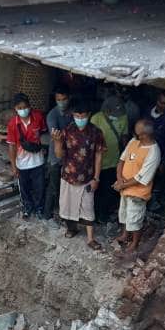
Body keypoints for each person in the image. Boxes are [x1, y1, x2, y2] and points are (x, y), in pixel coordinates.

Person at [52, 97, 106, 250]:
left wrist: (96, 177)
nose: (80, 119)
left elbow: (99, 155)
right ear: (72, 115)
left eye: (83, 117)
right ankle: (72, 228)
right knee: (67, 205)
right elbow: (59, 155)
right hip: (69, 176)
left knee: (88, 207)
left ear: (89, 115)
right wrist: (57, 142)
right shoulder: (67, 131)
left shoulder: (96, 132)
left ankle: (90, 238)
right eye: (77, 116)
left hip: (87, 177)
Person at [113, 119, 161, 252]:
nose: (134, 133)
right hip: (124, 187)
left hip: (138, 192)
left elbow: (142, 178)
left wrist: (122, 185)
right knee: (124, 213)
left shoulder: (154, 152)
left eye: (137, 131)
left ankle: (134, 243)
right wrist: (120, 179)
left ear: (144, 135)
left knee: (135, 218)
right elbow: (122, 160)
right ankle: (124, 235)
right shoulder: (133, 141)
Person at [6, 93, 46, 219]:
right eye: (20, 108)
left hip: (38, 161)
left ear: (29, 106)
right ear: (15, 109)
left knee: (39, 187)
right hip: (22, 163)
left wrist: (43, 147)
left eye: (25, 107)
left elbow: (45, 134)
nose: (23, 110)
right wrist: (13, 166)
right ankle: (27, 208)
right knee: (24, 189)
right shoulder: (13, 124)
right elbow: (11, 146)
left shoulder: (38, 117)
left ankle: (39, 208)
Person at [91, 95, 129, 223]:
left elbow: (124, 137)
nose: (117, 115)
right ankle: (93, 215)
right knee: (96, 190)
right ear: (106, 110)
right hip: (97, 163)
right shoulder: (97, 118)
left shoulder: (123, 117)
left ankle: (103, 215)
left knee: (108, 190)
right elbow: (90, 138)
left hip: (114, 162)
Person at [43, 85, 72, 221]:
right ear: (55, 100)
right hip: (55, 157)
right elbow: (57, 136)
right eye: (59, 99)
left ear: (69, 98)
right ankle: (49, 214)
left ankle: (61, 214)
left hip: (69, 157)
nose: (62, 102)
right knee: (54, 187)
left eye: (64, 99)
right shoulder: (52, 115)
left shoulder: (71, 113)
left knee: (64, 187)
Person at [144, 91, 165, 211]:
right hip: (141, 153)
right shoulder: (147, 112)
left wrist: (163, 163)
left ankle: (148, 204)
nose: (161, 105)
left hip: (156, 157)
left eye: (164, 103)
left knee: (151, 181)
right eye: (159, 101)